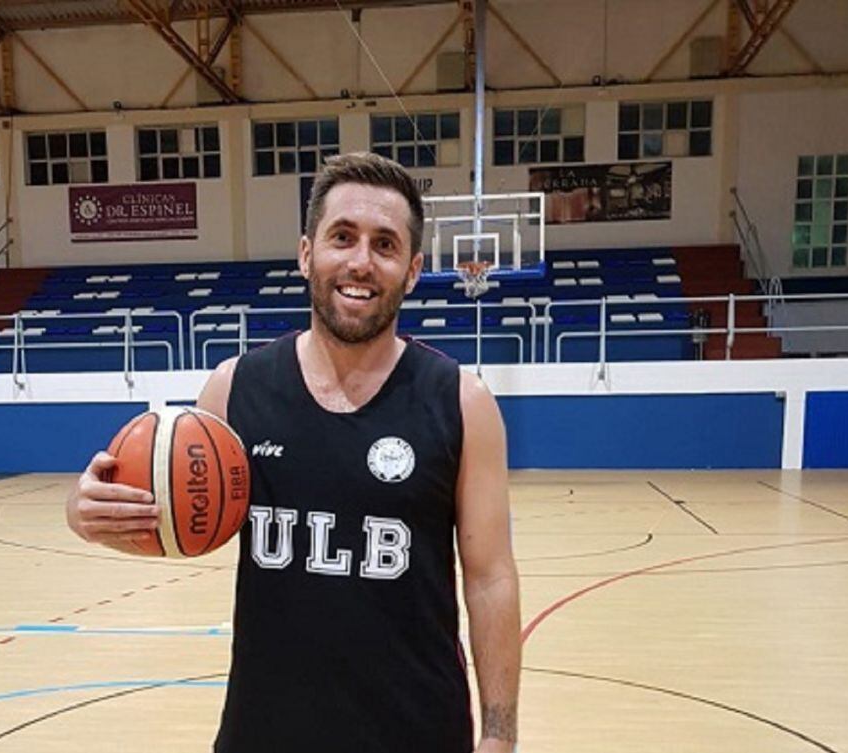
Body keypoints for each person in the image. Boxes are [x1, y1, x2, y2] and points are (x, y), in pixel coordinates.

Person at [66, 152, 522, 753]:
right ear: (308, 253)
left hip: (416, 729)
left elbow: (490, 579)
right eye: (343, 237)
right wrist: (87, 511)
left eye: (384, 245)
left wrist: (499, 736)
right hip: (265, 728)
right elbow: (172, 514)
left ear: (411, 271)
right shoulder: (235, 388)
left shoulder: (462, 402)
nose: (361, 261)